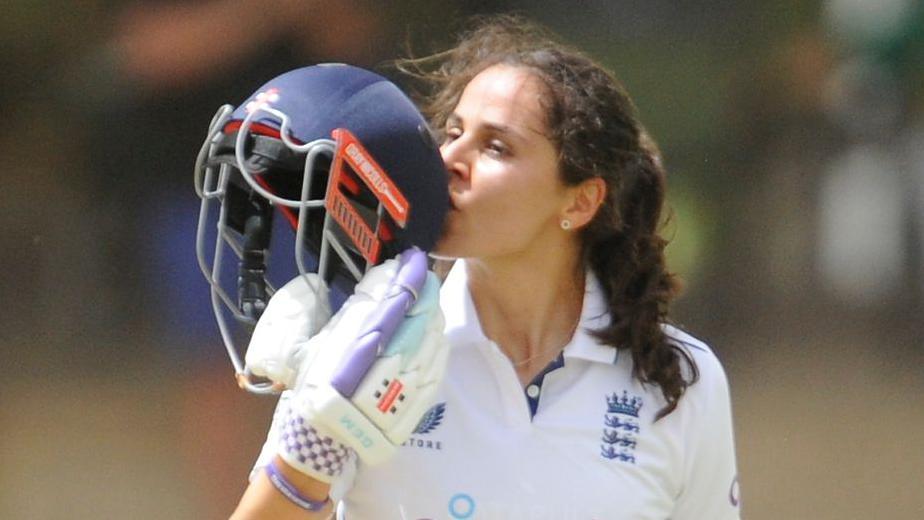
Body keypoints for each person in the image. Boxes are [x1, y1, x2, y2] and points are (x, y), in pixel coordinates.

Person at [230, 15, 740, 520]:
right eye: (453, 132)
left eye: (496, 146)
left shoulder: (681, 380)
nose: (449, 158)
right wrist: (309, 450)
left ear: (580, 203)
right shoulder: (363, 342)